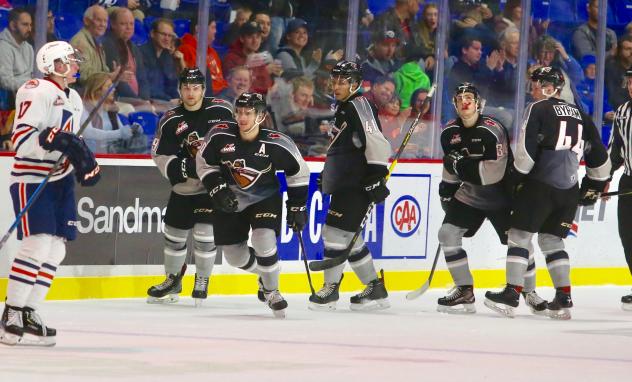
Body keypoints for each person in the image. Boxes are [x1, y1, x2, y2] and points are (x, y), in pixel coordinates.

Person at [485, 67, 611, 320]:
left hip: (539, 185)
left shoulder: (538, 108)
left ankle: (511, 294)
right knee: (552, 241)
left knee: (519, 236)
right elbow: (599, 158)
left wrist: (514, 180)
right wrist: (593, 187)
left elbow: (526, 153)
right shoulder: (582, 116)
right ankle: (564, 297)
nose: (533, 89)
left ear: (550, 87)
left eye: (537, 84)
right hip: (568, 189)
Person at [0, 41, 100, 346]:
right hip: (33, 178)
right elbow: (22, 142)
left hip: (61, 180)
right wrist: (52, 139)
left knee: (57, 249)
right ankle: (11, 312)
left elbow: (69, 141)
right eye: (68, 59)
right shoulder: (35, 89)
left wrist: (82, 159)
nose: (74, 64)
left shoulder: (75, 98)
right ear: (52, 64)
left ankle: (30, 311)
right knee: (38, 244)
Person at [196, 92, 310, 318]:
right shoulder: (220, 135)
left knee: (263, 239)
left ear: (261, 116)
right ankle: (265, 275)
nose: (242, 117)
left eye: (248, 113)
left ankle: (272, 290)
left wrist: (297, 206)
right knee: (234, 257)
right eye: (239, 112)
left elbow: (299, 172)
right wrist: (217, 188)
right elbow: (204, 164)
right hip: (231, 199)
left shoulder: (277, 142)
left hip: (264, 196)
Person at [437, 83, 547, 315]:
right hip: (469, 195)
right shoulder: (448, 132)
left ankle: (529, 291)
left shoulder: (492, 130)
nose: (464, 102)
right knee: (447, 234)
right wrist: (446, 191)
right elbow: (449, 169)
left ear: (478, 103)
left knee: (518, 242)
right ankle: (464, 290)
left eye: (469, 97)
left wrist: (459, 164)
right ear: (455, 104)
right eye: (460, 98)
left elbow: (490, 174)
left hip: (503, 196)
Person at [308, 60, 392, 311]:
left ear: (355, 84)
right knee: (348, 237)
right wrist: (328, 171)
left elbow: (376, 140)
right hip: (347, 181)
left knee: (334, 233)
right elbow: (344, 145)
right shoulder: (345, 107)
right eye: (334, 81)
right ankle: (375, 288)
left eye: (342, 82)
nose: (336, 86)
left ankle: (330, 289)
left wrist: (377, 174)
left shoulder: (359, 104)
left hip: (358, 183)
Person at [147, 68, 233, 306]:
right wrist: (182, 168)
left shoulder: (222, 110)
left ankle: (202, 280)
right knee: (174, 235)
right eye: (186, 88)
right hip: (185, 187)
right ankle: (172, 280)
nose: (191, 93)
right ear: (179, 90)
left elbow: (236, 141)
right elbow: (159, 153)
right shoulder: (171, 119)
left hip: (212, 186)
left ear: (203, 90)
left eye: (196, 88)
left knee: (205, 236)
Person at [608, 68, 632, 311]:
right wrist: (603, 177)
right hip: (629, 180)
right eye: (631, 81)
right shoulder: (623, 112)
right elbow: (615, 150)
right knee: (628, 237)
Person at [0, 8, 33, 108]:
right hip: (9, 102)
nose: (29, 29)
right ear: (13, 26)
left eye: (30, 25)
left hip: (28, 96)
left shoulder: (29, 47)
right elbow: (5, 81)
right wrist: (30, 82)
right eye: (25, 24)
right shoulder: (3, 47)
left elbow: (32, 74)